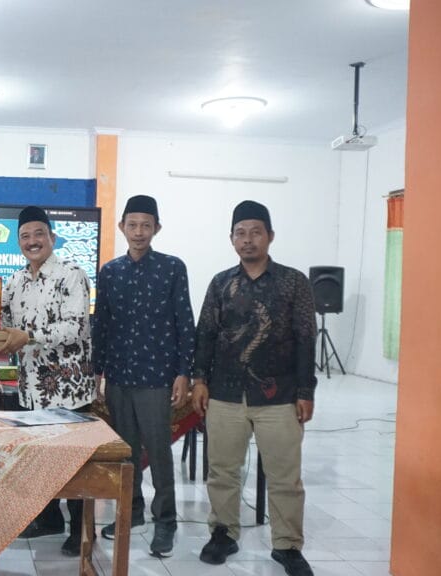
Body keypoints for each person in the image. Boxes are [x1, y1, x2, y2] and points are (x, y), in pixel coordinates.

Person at [192, 200, 317, 576]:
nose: (248, 240)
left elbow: (306, 338)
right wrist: (199, 380)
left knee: (285, 476)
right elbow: (205, 334)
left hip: (278, 394)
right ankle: (223, 534)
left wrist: (306, 391)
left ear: (270, 236)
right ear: (232, 239)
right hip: (225, 393)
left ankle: (287, 546)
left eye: (255, 232)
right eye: (240, 233)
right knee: (222, 471)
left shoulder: (293, 282)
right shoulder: (221, 283)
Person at [0, 205, 94, 556]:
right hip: (31, 389)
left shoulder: (72, 274)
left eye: (39, 234)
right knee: (39, 459)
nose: (32, 241)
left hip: (69, 390)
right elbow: (2, 322)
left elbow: (75, 327)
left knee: (74, 462)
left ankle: (80, 530)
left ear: (52, 237)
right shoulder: (15, 281)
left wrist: (29, 336)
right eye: (25, 236)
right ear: (19, 242)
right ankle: (49, 518)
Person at [91, 195, 195, 557]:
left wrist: (184, 372)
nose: (138, 232)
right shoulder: (110, 272)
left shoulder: (172, 268)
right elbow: (101, 325)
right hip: (119, 376)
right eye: (132, 225)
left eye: (146, 226)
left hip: (156, 377)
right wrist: (97, 371)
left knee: (159, 452)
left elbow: (185, 322)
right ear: (122, 227)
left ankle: (165, 521)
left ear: (157, 228)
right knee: (127, 451)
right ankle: (131, 512)